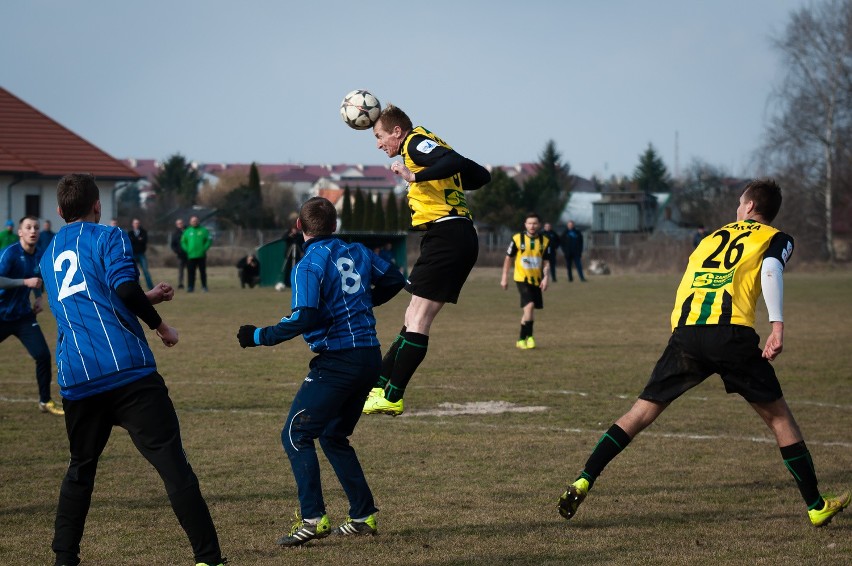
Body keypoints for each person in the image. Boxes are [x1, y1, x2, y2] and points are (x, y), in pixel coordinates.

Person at [556, 179, 850, 528]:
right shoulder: (778, 238)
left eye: (741, 203)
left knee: (640, 412)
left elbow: (690, 279)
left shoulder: (711, 237)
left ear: (752, 207)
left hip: (687, 332)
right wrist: (778, 326)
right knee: (779, 418)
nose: (737, 209)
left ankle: (584, 478)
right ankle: (815, 505)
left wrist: (681, 330)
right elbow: (770, 270)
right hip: (730, 334)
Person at [41, 174, 225, 566]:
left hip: (77, 375)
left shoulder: (47, 252)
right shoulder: (109, 236)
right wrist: (161, 326)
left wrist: (147, 296)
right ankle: (209, 558)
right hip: (127, 371)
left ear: (59, 212)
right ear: (97, 206)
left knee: (80, 470)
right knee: (173, 466)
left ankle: (64, 559)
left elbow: (92, 298)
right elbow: (122, 289)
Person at [236, 197, 405, 547]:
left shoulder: (309, 263)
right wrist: (362, 301)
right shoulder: (356, 250)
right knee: (332, 436)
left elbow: (304, 317)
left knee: (295, 434)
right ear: (336, 226)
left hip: (339, 359)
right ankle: (363, 515)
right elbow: (394, 279)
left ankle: (313, 518)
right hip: (370, 357)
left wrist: (257, 336)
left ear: (299, 227)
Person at [362, 103, 491, 416]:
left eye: (380, 136)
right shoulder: (425, 145)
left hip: (448, 236)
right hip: (452, 236)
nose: (379, 144)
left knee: (418, 319)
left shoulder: (415, 143)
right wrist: (446, 174)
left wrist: (414, 176)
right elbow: (480, 175)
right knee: (412, 317)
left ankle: (392, 395)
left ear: (397, 131)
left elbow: (455, 161)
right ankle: (376, 386)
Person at [0, 216, 63, 416]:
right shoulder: (9, 254)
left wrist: (37, 298)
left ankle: (45, 401)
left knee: (43, 355)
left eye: (36, 227)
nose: (33, 231)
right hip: (1, 315)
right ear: (20, 232)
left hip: (23, 317)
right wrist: (24, 283)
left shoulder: (39, 256)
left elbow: (38, 279)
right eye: (28, 227)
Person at [501, 213, 550, 350]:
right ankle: (529, 337)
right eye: (529, 223)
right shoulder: (517, 239)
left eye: (534, 223)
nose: (532, 226)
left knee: (529, 311)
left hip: (537, 280)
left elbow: (546, 262)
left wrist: (546, 277)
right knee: (529, 306)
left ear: (539, 225)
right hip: (521, 278)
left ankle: (521, 339)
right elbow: (508, 259)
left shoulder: (545, 241)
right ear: (525, 225)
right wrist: (504, 277)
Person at [181, 215, 212, 292]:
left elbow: (209, 240)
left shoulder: (204, 230)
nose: (194, 222)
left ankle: (204, 287)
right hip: (191, 256)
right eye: (193, 221)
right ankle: (190, 287)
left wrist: (204, 248)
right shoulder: (187, 231)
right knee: (191, 272)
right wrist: (187, 249)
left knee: (203, 272)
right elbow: (183, 242)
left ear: (198, 221)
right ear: (190, 222)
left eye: (195, 221)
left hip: (201, 255)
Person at [127, 218, 154, 290]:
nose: (136, 224)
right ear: (132, 224)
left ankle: (151, 287)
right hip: (133, 255)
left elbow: (144, 241)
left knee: (145, 271)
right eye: (135, 223)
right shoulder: (130, 233)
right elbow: (130, 243)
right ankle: (137, 287)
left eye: (138, 223)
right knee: (135, 272)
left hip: (141, 254)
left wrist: (135, 240)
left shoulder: (143, 232)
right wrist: (138, 239)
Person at [170, 218, 188, 289]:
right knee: (181, 270)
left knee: (190, 269)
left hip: (189, 254)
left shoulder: (187, 231)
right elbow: (172, 245)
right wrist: (177, 251)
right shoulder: (175, 233)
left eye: (181, 223)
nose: (180, 224)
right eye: (178, 223)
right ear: (176, 225)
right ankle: (181, 283)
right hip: (180, 255)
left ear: (183, 223)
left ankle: (190, 284)